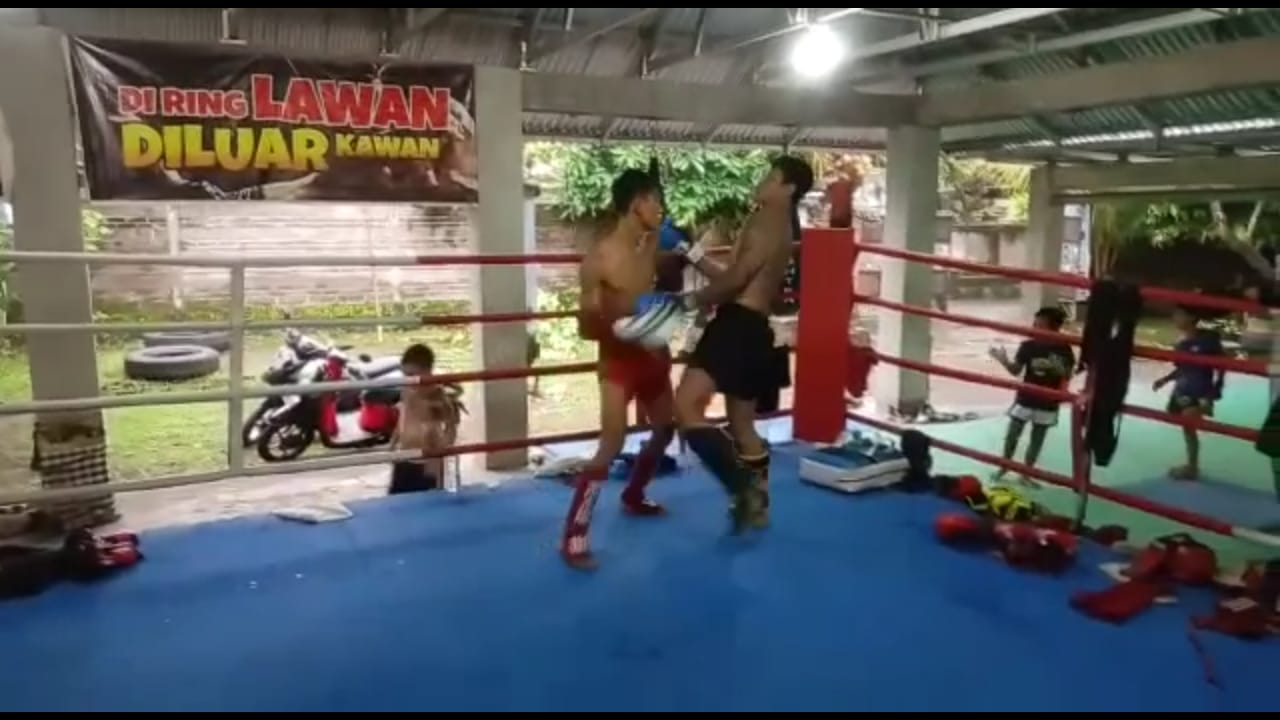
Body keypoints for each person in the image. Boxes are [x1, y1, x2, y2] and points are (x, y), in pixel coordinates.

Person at [670, 155, 813, 532]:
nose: (762, 181)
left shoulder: (766, 220)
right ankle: (757, 508)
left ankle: (743, 486)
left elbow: (735, 282)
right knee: (742, 425)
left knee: (685, 406)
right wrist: (691, 252)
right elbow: (735, 274)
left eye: (771, 177)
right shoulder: (779, 224)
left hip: (736, 325)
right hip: (753, 326)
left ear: (788, 188)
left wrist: (687, 301)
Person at [560, 169, 676, 570]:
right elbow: (585, 326)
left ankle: (634, 494)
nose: (660, 208)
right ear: (636, 203)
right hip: (618, 364)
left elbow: (652, 301)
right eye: (654, 199)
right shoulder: (600, 259)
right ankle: (574, 536)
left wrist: (655, 326)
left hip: (653, 357)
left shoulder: (649, 246)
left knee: (666, 428)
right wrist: (623, 323)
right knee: (611, 444)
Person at [988, 306, 1075, 487]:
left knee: (1037, 439)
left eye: (1040, 325)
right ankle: (1004, 466)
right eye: (1034, 324)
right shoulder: (1028, 346)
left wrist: (1056, 370)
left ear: (1054, 328)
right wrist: (1003, 360)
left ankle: (1026, 474)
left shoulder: (1064, 349)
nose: (1034, 328)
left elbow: (1067, 374)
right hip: (1026, 397)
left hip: (1048, 401)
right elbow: (1016, 370)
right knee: (1012, 433)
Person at [1153, 305, 1225, 480]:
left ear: (1191, 317)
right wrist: (1164, 380)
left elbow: (1224, 364)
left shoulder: (1208, 339)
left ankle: (1192, 467)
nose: (1174, 318)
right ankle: (1192, 463)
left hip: (1200, 391)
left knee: (1188, 425)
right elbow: (1182, 369)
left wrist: (1215, 390)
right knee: (1182, 424)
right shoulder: (1181, 344)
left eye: (1179, 314)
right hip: (1182, 390)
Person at [389, 343, 460, 494]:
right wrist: (393, 443)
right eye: (405, 375)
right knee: (398, 502)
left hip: (426, 463)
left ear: (428, 372)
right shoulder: (407, 391)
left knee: (427, 502)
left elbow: (450, 431)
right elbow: (403, 418)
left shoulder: (438, 399)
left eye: (412, 375)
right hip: (404, 458)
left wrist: (436, 460)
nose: (408, 380)